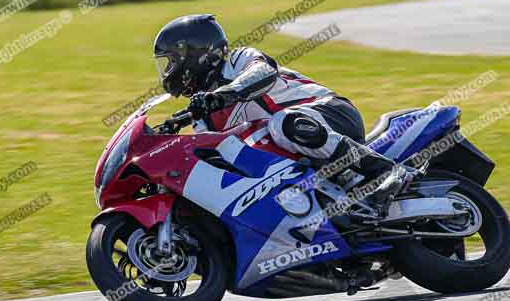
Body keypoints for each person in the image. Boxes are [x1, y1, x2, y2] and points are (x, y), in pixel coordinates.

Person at [153, 13, 409, 214]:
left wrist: (223, 96)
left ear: (195, 54)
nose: (168, 71)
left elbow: (262, 73)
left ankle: (386, 171)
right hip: (303, 151)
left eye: (171, 62)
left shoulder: (238, 60)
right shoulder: (204, 116)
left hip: (332, 114)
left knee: (282, 124)